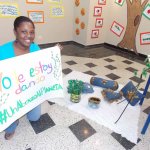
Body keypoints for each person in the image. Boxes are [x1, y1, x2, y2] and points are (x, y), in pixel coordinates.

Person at [0, 16, 41, 140]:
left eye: (32, 32)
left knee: (34, 118)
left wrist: (54, 54)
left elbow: (42, 69)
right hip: (11, 95)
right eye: (24, 31)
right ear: (15, 32)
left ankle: (24, 109)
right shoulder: (3, 51)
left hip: (30, 90)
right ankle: (14, 121)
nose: (28, 35)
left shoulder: (35, 49)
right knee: (9, 123)